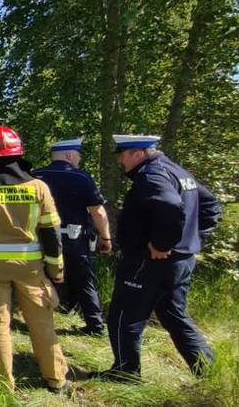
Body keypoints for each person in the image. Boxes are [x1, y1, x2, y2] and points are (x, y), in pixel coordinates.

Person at [92, 135, 221, 382]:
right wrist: (190, 239)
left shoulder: (153, 175)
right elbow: (210, 205)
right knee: (173, 314)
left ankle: (125, 373)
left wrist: (163, 243)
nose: (120, 160)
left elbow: (169, 204)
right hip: (181, 261)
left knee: (124, 314)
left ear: (138, 153)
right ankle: (209, 373)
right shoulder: (177, 171)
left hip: (149, 261)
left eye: (122, 154)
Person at [0, 125, 69, 393]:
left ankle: (2, 383)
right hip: (30, 270)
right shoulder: (38, 187)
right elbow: (52, 234)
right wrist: (56, 269)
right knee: (41, 322)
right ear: (18, 152)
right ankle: (55, 379)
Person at [33, 138, 112, 335]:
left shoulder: (35, 177)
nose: (78, 159)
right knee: (84, 281)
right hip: (74, 239)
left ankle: (41, 321)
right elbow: (98, 212)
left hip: (42, 239)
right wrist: (106, 238)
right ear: (69, 155)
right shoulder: (81, 177)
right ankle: (95, 325)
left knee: (42, 279)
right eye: (77, 155)